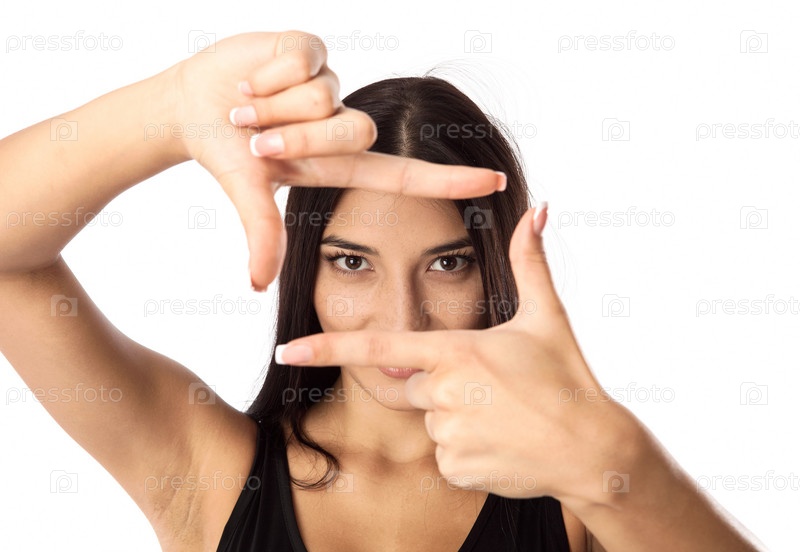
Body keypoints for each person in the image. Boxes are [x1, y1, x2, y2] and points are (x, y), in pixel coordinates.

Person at [0, 31, 763, 551]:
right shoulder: (209, 473)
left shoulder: (575, 497)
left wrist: (617, 467)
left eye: (447, 264)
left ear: (496, 266)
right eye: (354, 263)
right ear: (308, 267)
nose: (403, 320)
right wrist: (170, 109)